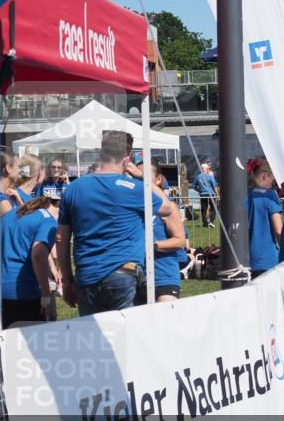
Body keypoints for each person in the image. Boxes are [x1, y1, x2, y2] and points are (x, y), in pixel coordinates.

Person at [57, 131, 178, 315]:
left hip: (87, 275)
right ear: (127, 158)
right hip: (123, 274)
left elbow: (61, 239)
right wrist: (142, 177)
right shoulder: (134, 189)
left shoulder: (73, 189)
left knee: (95, 339)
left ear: (100, 153)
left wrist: (66, 281)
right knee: (128, 337)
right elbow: (167, 207)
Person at [0, 193, 59, 328]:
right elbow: (38, 254)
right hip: (18, 292)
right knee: (28, 344)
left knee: (5, 338)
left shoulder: (15, 213)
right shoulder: (48, 220)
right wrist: (46, 293)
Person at [133, 161, 187, 303]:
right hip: (136, 277)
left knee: (166, 322)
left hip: (163, 277)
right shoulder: (132, 206)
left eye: (143, 178)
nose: (140, 183)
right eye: (137, 179)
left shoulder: (168, 208)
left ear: (158, 179)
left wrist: (152, 246)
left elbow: (180, 241)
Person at [245, 159, 284, 279]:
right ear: (264, 176)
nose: (272, 183)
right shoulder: (269, 196)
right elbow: (278, 230)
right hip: (266, 258)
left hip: (244, 257)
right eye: (272, 179)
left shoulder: (243, 194)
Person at [194, 162, 219, 227]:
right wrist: (217, 194)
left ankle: (205, 223)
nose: (208, 170)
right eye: (207, 169)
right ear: (205, 169)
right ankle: (211, 221)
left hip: (202, 194)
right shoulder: (210, 177)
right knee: (213, 208)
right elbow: (214, 186)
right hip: (211, 194)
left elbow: (194, 186)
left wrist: (199, 191)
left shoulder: (198, 177)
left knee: (204, 209)